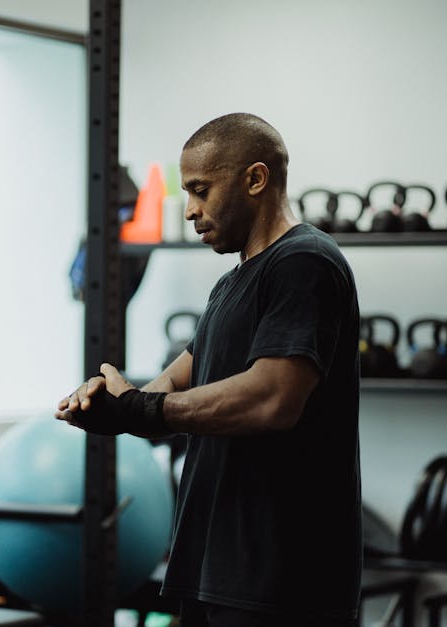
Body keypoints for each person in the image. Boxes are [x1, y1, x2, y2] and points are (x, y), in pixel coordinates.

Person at [55, 112, 361, 626]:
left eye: (201, 190)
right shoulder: (232, 282)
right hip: (215, 570)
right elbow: (179, 378)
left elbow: (272, 398)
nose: (191, 210)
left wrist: (143, 411)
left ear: (256, 179)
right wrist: (115, 404)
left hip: (282, 583)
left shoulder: (304, 264)